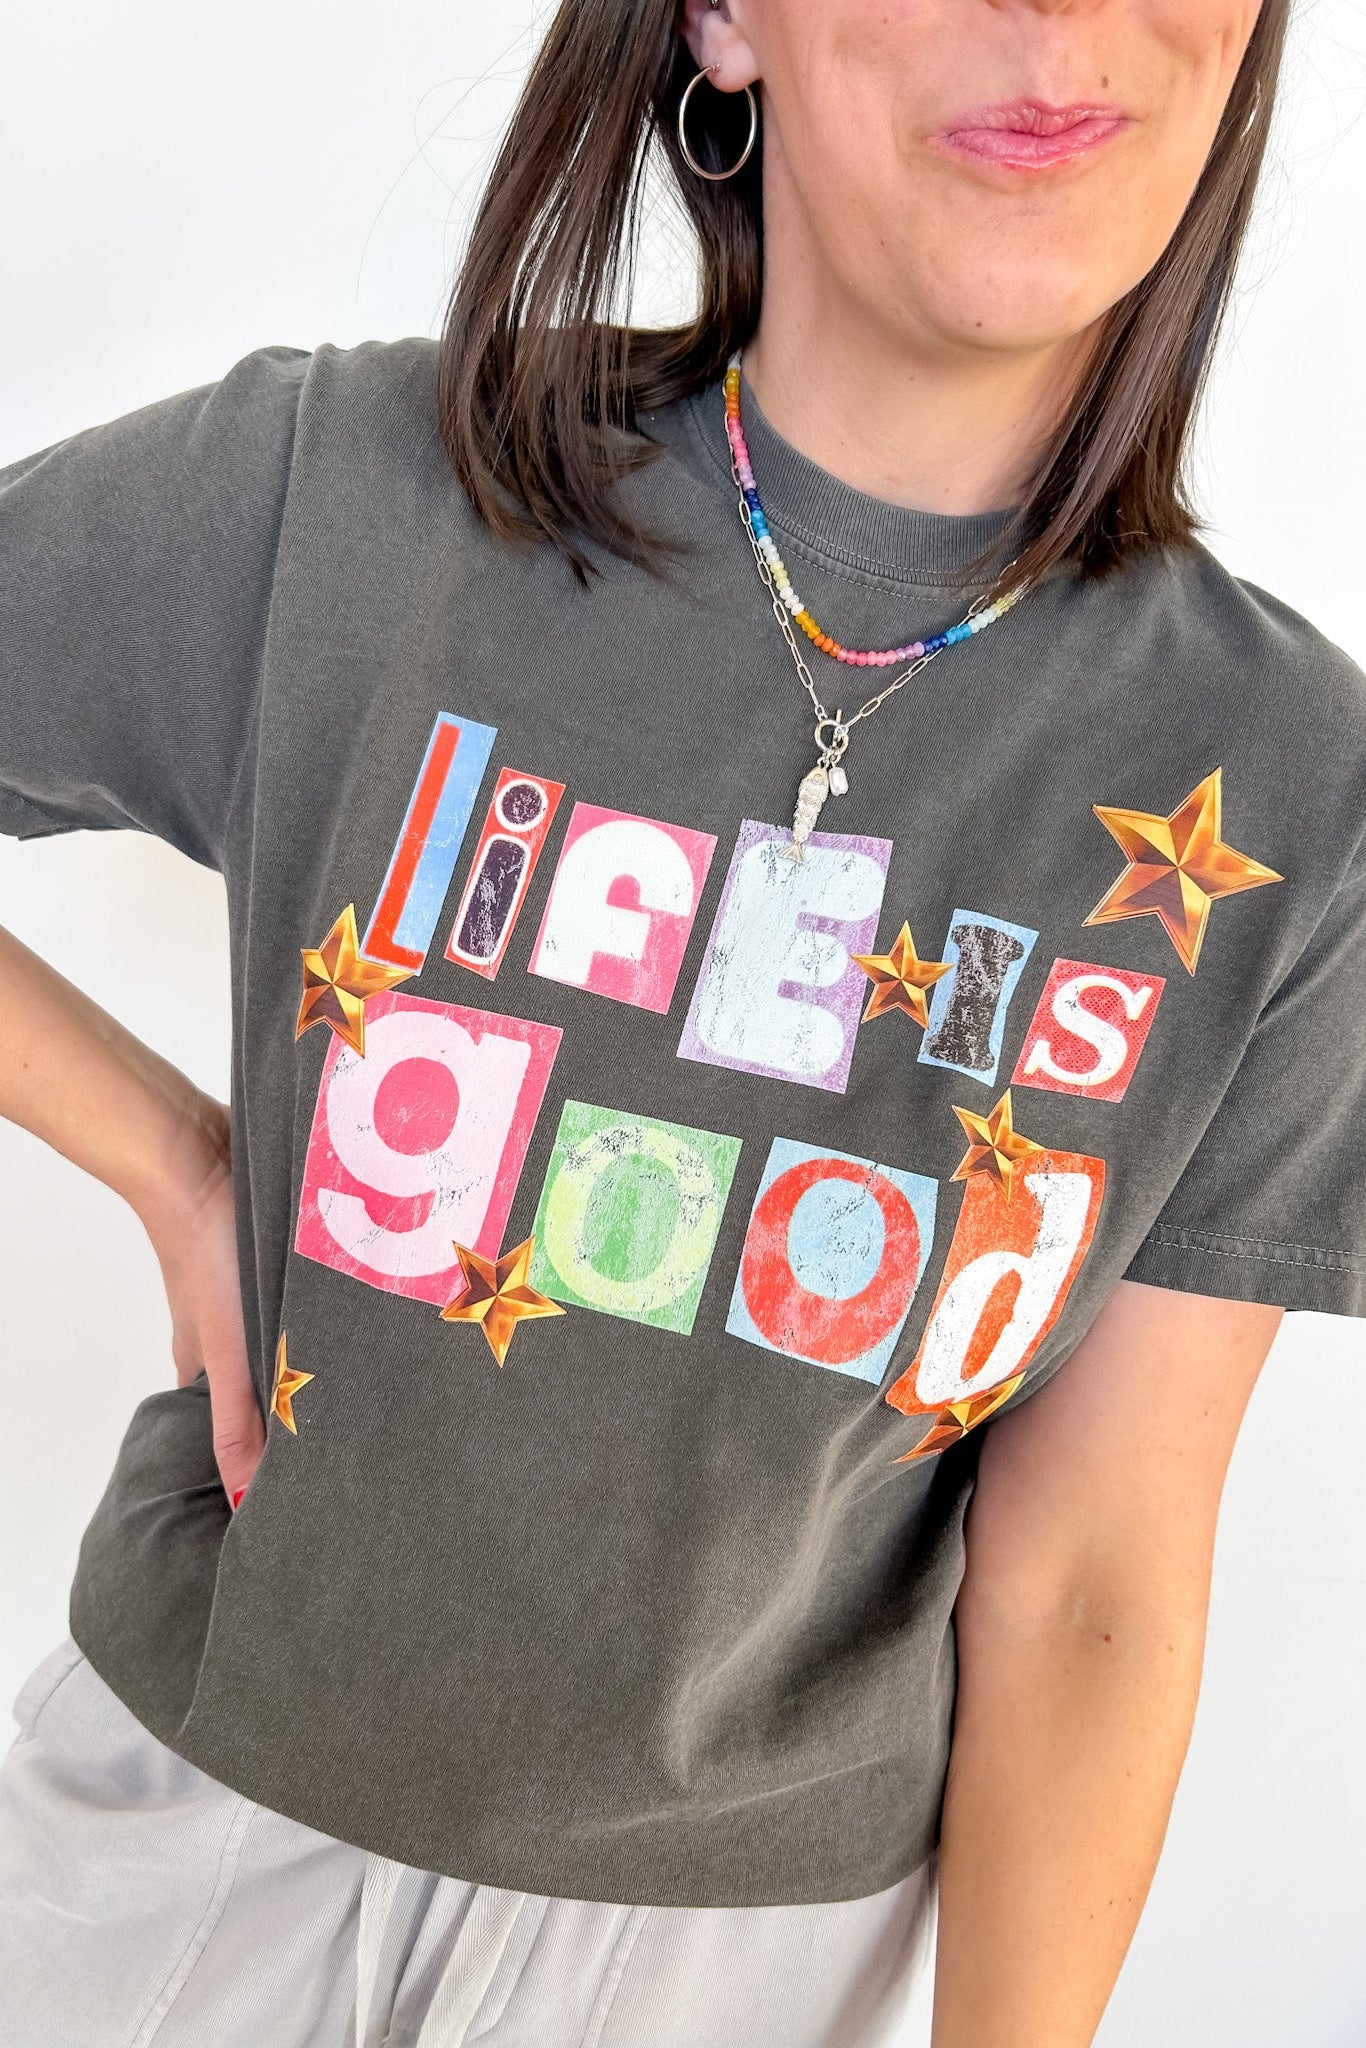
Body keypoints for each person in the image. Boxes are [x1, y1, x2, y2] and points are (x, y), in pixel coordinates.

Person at [1, 0, 1362, 2042]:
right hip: (186, 1848)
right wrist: (173, 1153)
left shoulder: (1280, 791)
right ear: (721, 18)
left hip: (738, 1964)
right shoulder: (347, 498)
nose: (1060, 17)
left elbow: (1089, 1582)